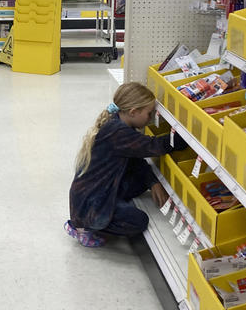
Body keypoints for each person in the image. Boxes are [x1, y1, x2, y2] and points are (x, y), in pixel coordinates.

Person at [66, 82, 187, 247]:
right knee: (139, 221)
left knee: (139, 181)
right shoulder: (118, 133)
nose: (150, 118)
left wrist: (153, 183)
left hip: (94, 192)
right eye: (149, 113)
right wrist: (187, 136)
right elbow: (154, 146)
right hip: (90, 204)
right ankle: (83, 227)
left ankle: (101, 212)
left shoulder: (116, 123)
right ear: (133, 112)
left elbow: (135, 160)